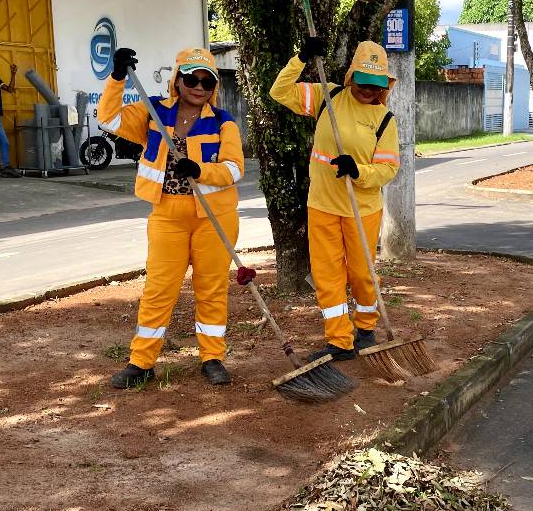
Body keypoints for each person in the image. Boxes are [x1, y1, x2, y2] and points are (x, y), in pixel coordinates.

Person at [101, 47, 246, 388]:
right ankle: (142, 362)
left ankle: (212, 358)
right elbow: (108, 119)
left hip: (214, 217)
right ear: (177, 80)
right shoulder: (153, 112)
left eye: (206, 81)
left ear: (213, 87)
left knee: (210, 289)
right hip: (167, 213)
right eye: (191, 79)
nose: (199, 86)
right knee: (158, 288)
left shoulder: (224, 122)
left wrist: (201, 171)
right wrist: (118, 77)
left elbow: (234, 167)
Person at [269, 38, 400, 362]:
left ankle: (366, 329)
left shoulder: (384, 119)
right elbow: (280, 92)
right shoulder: (328, 96)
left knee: (361, 274)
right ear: (351, 76)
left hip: (362, 210)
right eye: (364, 82)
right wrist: (300, 58)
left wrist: (359, 171)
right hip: (322, 205)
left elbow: (388, 169)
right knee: (327, 277)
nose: (368, 90)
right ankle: (339, 340)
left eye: (375, 85)